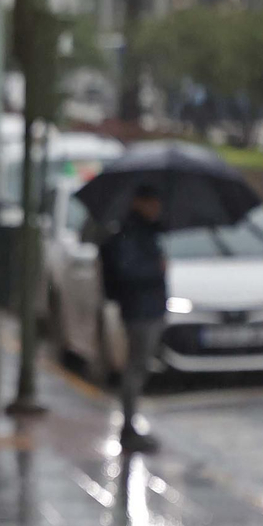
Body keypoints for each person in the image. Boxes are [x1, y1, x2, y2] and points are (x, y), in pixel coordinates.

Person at [99, 183, 168, 453]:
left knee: (139, 367)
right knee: (135, 369)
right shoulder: (130, 232)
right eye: (153, 202)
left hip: (148, 308)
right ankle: (128, 427)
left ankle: (130, 425)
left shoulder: (148, 230)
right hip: (140, 310)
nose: (157, 208)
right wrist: (157, 268)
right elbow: (129, 271)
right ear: (141, 203)